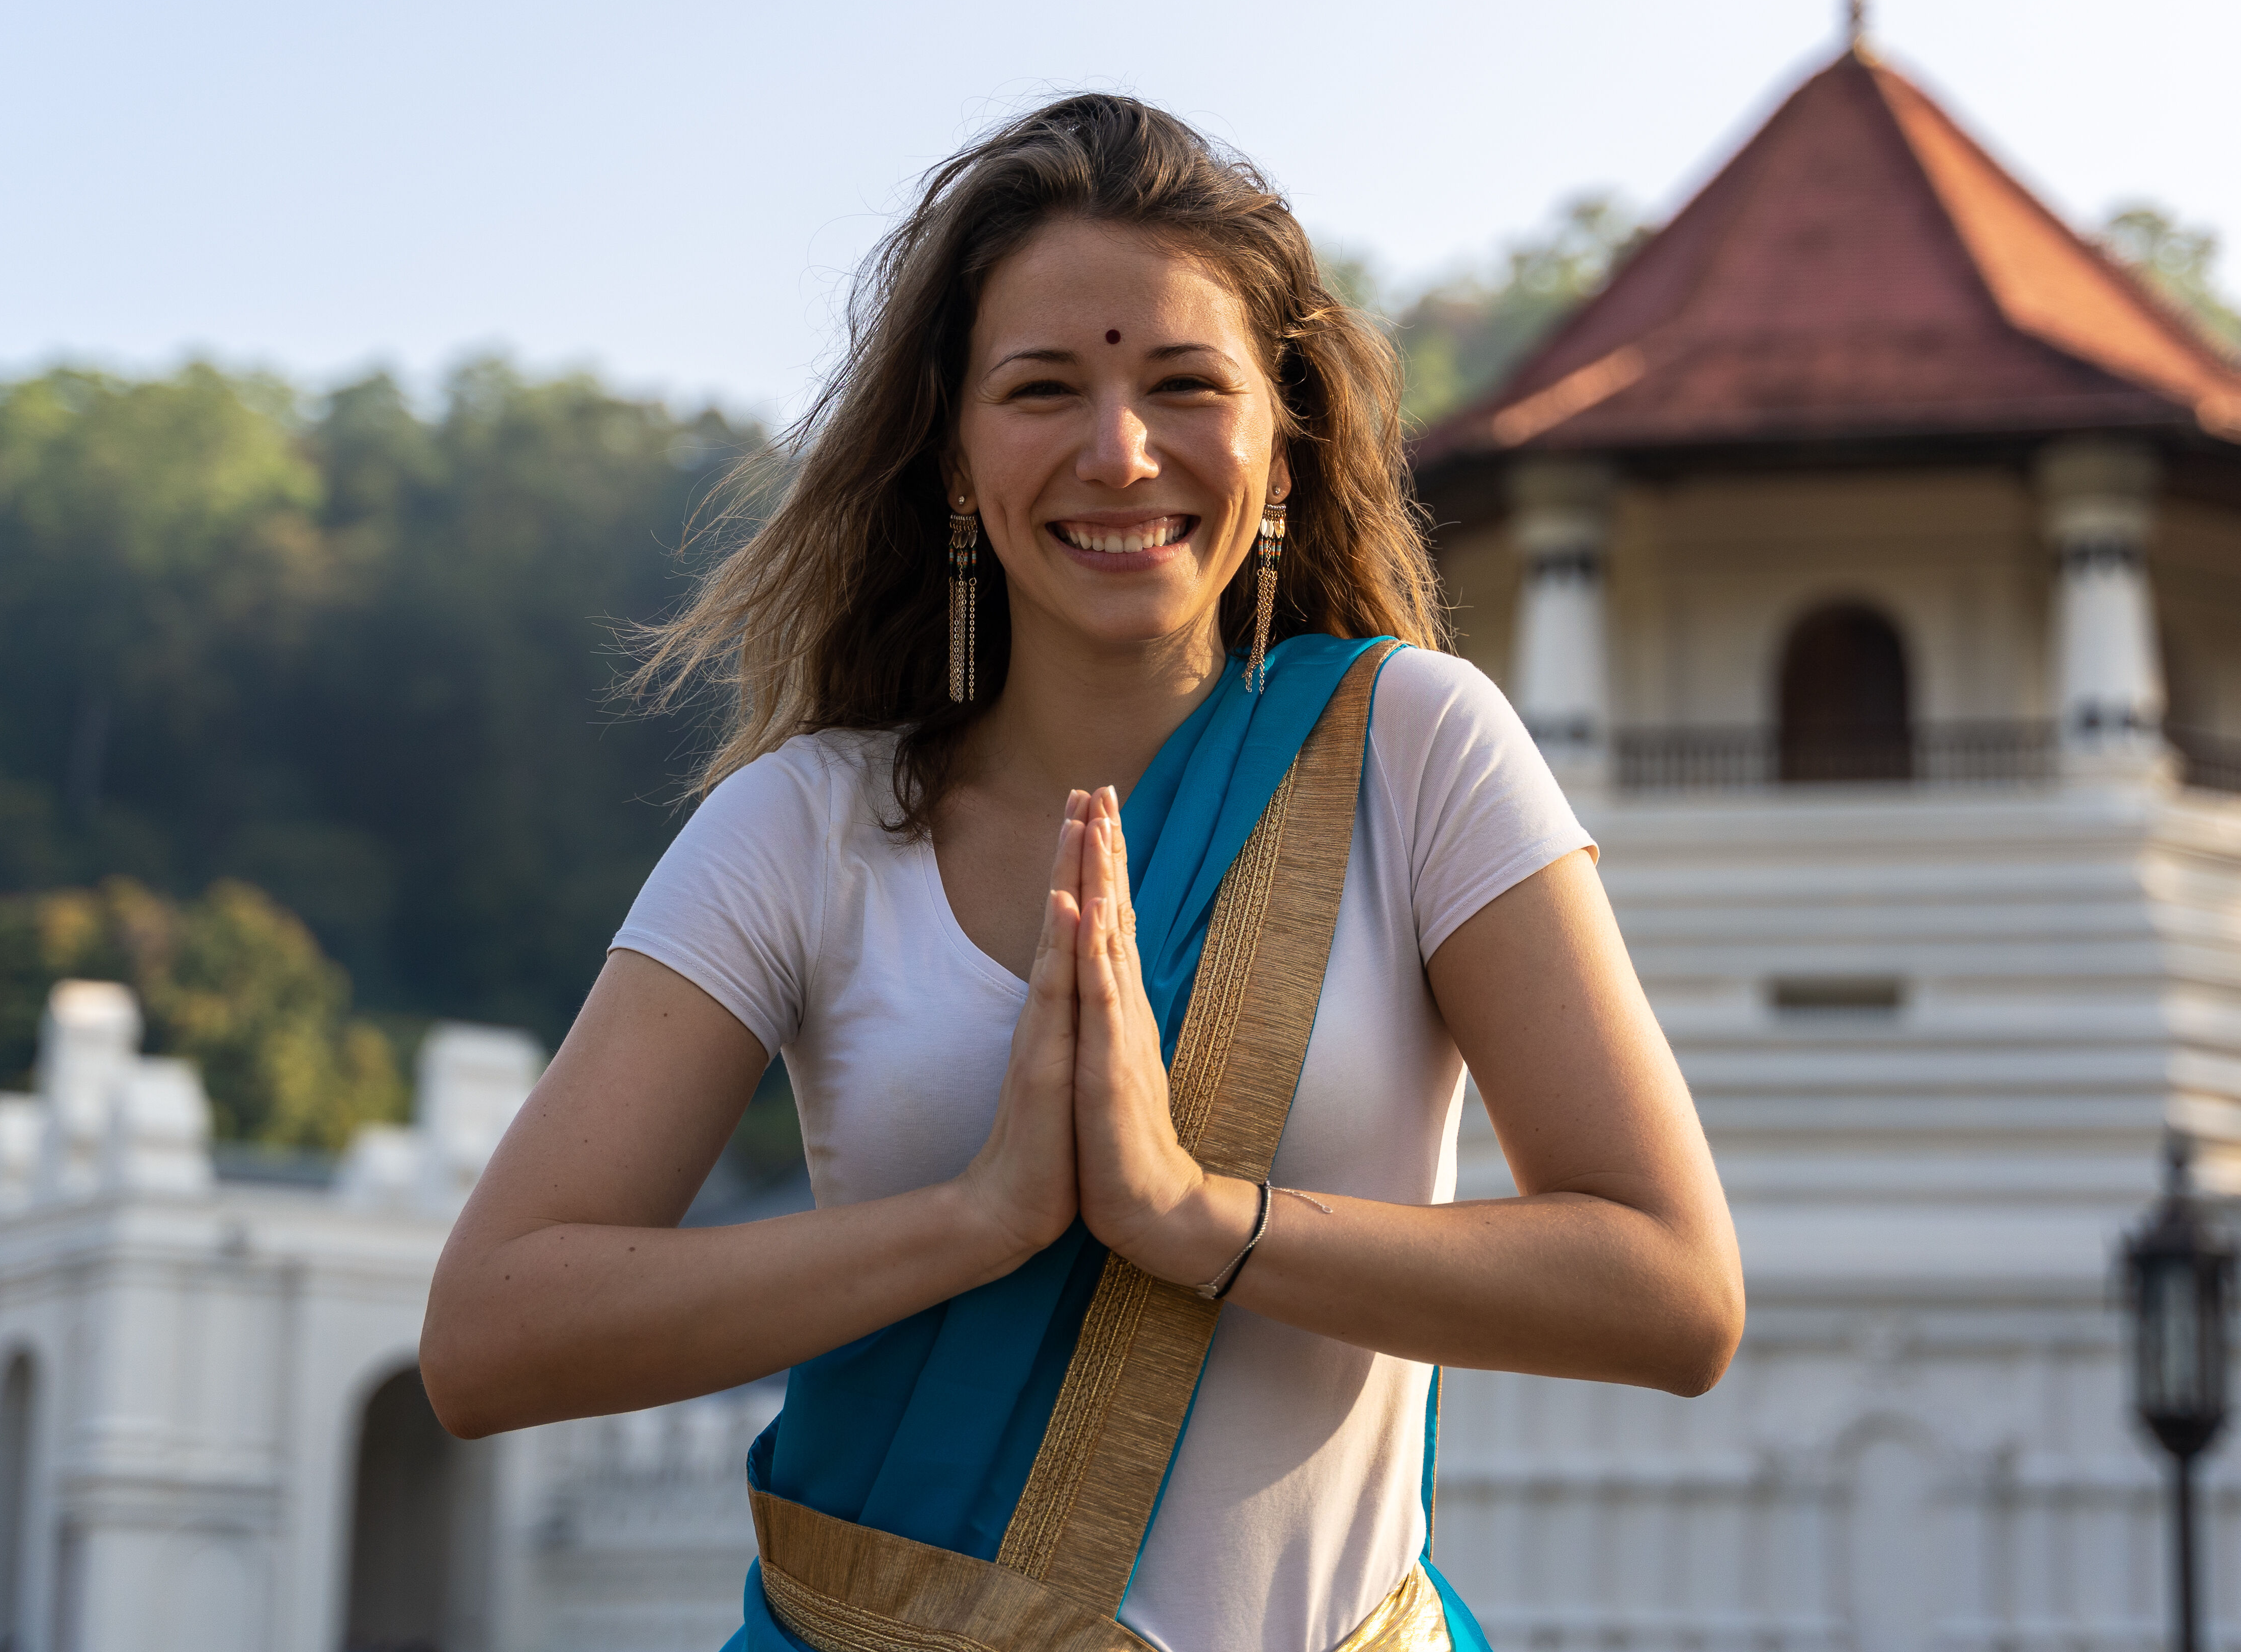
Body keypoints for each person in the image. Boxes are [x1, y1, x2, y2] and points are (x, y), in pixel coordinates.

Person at [420, 96, 1742, 1652]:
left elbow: (1672, 1290)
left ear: (1285, 440)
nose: (1119, 453)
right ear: (956, 458)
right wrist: (978, 1221)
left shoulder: (1417, 753)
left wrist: (1197, 1220)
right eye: (1044, 387)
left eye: (1185, 384)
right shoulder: (808, 828)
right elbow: (488, 1338)